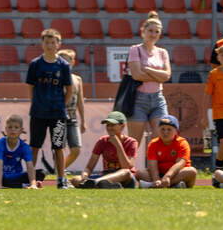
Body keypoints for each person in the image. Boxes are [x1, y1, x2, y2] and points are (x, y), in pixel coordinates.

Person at [26, 27, 73, 188]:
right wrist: (35, 103)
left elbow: (69, 89)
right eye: (47, 42)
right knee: (34, 146)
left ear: (58, 44)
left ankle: (61, 179)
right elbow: (30, 87)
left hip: (57, 114)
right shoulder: (35, 64)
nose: (50, 45)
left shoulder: (64, 65)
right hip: (38, 113)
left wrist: (61, 105)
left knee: (59, 147)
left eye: (53, 42)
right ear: (42, 44)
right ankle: (30, 180)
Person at [127, 13, 171, 167]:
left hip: (158, 98)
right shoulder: (135, 49)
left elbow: (167, 76)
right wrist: (157, 75)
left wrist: (148, 70)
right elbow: (137, 75)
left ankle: (156, 171)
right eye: (150, 31)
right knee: (134, 142)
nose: (153, 34)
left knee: (161, 136)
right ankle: (127, 171)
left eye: (156, 32)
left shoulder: (162, 52)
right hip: (138, 98)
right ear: (143, 31)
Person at [78, 110, 138, 188]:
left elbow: (126, 167)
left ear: (122, 126)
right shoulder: (102, 141)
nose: (109, 128)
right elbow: (89, 167)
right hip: (106, 175)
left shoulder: (131, 142)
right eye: (108, 125)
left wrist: (118, 145)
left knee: (126, 172)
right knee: (76, 179)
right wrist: (84, 177)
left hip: (125, 178)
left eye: (112, 125)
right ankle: (108, 186)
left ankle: (95, 183)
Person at [138, 114, 196, 188]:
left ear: (176, 131)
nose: (165, 132)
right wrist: (156, 179)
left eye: (169, 129)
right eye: (162, 129)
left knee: (191, 171)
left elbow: (180, 163)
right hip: (160, 174)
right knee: (139, 173)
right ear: (158, 130)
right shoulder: (153, 143)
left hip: (177, 174)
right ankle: (174, 185)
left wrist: (167, 176)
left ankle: (156, 185)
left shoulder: (182, 143)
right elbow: (152, 165)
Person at [0, 114, 40, 189]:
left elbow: (30, 165)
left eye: (16, 127)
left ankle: (28, 184)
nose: (13, 130)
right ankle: (22, 185)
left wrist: (33, 184)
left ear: (21, 130)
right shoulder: (0, 143)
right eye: (10, 127)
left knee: (41, 173)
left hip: (16, 176)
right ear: (6, 129)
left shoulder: (25, 147)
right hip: (1, 175)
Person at [56, 49, 86, 168]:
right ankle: (60, 173)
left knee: (76, 149)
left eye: (67, 61)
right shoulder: (55, 78)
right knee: (60, 148)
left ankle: (59, 169)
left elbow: (80, 101)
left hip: (72, 118)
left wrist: (83, 120)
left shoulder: (77, 79)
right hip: (58, 117)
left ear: (72, 62)